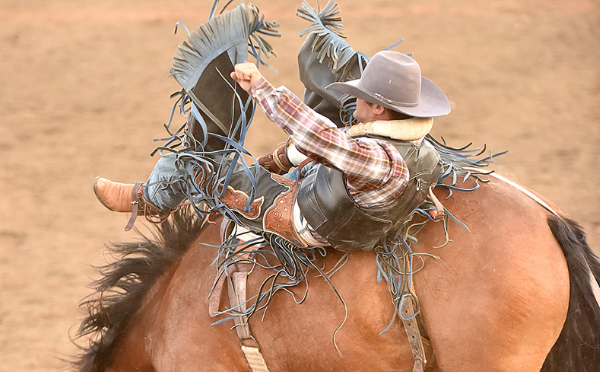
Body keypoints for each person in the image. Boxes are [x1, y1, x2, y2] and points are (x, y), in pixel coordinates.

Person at [94, 50, 451, 250]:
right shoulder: (413, 146)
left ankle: (150, 198)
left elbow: (323, 140)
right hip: (341, 196)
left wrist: (261, 89)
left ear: (378, 109)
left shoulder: (379, 160)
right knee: (306, 147)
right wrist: (281, 159)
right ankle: (268, 167)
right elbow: (334, 147)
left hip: (307, 218)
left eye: (364, 96)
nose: (356, 97)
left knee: (198, 165)